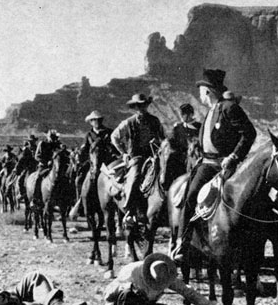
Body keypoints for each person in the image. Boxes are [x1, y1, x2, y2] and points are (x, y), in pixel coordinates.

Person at [171, 69, 256, 263]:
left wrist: (234, 156)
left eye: (201, 90)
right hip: (207, 163)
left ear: (208, 91)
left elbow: (249, 133)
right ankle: (182, 244)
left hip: (223, 165)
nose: (200, 94)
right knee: (190, 196)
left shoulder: (228, 108)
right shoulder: (211, 111)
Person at [111, 94, 165, 226]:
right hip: (136, 157)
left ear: (147, 105)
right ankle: (129, 209)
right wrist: (123, 152)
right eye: (139, 105)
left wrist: (158, 142)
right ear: (135, 107)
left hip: (154, 155)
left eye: (144, 105)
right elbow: (114, 137)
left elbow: (163, 138)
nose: (141, 108)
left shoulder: (155, 121)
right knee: (135, 176)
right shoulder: (128, 123)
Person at [79, 110, 118, 176]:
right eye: (94, 120)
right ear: (90, 122)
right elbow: (84, 149)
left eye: (98, 119)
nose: (96, 121)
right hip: (93, 161)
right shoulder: (88, 135)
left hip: (108, 161)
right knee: (81, 176)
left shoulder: (109, 132)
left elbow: (115, 146)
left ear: (101, 120)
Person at [32, 130, 62, 205]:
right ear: (48, 137)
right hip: (44, 166)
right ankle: (35, 198)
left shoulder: (56, 145)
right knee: (38, 177)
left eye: (54, 137)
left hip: (55, 167)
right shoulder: (42, 144)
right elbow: (37, 156)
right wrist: (46, 162)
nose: (53, 139)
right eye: (51, 137)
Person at [171, 103, 201, 170]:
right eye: (181, 114)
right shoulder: (177, 128)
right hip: (180, 160)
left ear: (190, 114)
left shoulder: (200, 127)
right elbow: (173, 143)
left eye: (183, 114)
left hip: (195, 158)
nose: (181, 116)